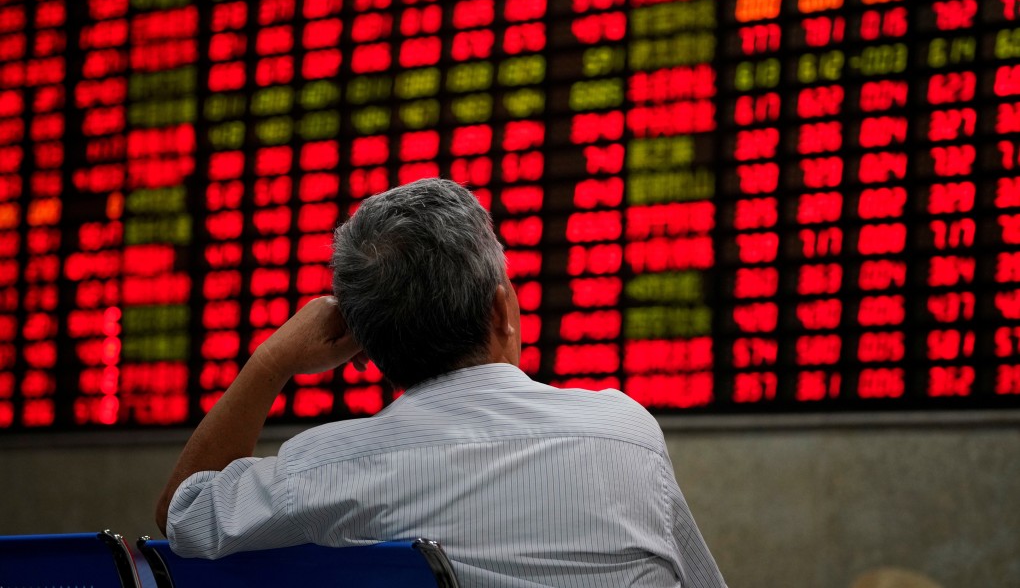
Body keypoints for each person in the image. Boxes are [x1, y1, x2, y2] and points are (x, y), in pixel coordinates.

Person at [156, 178, 726, 587]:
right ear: (500, 310)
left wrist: (270, 360)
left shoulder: (325, 468)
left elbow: (183, 514)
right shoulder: (625, 433)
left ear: (365, 347)